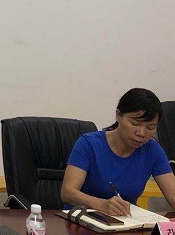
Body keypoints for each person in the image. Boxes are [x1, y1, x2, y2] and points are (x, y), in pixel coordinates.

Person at [61, 87, 175, 215]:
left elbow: (173, 196)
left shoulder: (152, 150)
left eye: (150, 127)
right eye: (135, 124)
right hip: (82, 220)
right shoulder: (88, 144)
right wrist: (101, 205)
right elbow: (67, 193)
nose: (142, 133)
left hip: (125, 223)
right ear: (118, 115)